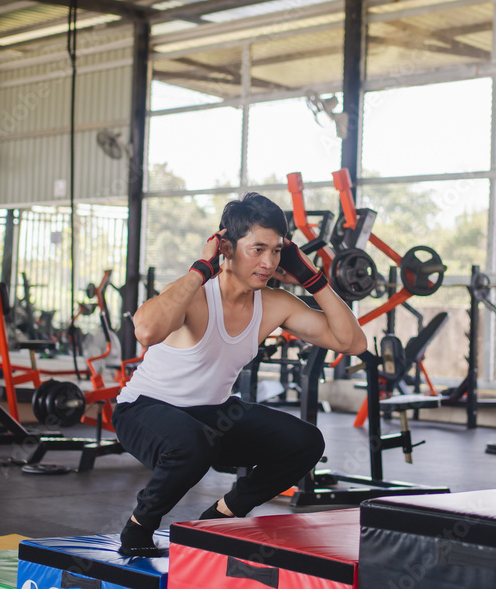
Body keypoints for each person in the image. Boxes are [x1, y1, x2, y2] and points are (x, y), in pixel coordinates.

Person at [112, 192, 367, 557]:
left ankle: (220, 515)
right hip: (143, 409)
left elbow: (353, 342)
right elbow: (146, 332)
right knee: (190, 445)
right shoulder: (196, 294)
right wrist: (201, 267)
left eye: (277, 251)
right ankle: (137, 529)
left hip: (212, 413)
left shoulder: (276, 304)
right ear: (226, 248)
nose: (268, 262)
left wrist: (314, 279)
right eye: (257, 249)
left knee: (306, 441)